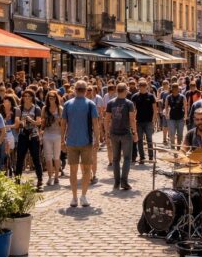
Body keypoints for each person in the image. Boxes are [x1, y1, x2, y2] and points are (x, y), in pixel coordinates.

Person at [61, 80, 99, 208]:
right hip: (86, 141)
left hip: (72, 141)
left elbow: (63, 124)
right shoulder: (90, 104)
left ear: (75, 90)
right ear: (85, 90)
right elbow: (95, 123)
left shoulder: (67, 104)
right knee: (86, 170)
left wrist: (62, 140)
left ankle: (75, 197)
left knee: (73, 170)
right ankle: (82, 196)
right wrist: (98, 139)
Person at [105, 83, 138, 190]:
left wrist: (106, 132)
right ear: (125, 91)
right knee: (127, 158)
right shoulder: (129, 103)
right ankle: (124, 182)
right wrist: (135, 132)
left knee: (115, 159)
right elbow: (132, 119)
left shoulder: (111, 103)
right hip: (125, 133)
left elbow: (106, 119)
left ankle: (116, 183)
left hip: (114, 133)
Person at [13, 89, 43, 190]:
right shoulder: (19, 109)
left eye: (29, 96)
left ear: (32, 98)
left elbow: (39, 122)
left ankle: (40, 181)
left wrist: (31, 120)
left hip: (34, 136)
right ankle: (17, 181)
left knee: (36, 159)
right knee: (20, 159)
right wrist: (22, 122)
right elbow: (17, 122)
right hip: (23, 136)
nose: (27, 98)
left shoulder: (36, 108)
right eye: (25, 96)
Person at [130, 80, 158, 165]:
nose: (142, 88)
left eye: (143, 86)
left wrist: (154, 120)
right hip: (138, 121)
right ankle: (142, 157)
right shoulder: (135, 96)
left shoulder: (151, 96)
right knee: (140, 140)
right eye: (140, 86)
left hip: (148, 121)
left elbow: (154, 109)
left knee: (149, 139)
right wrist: (133, 120)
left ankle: (150, 156)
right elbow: (133, 109)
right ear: (138, 87)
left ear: (146, 87)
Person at [41, 90, 63, 186]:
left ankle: (57, 177)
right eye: (50, 98)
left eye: (53, 98)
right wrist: (44, 122)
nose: (51, 99)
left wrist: (59, 121)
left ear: (56, 98)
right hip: (47, 134)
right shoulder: (44, 109)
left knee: (57, 157)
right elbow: (42, 123)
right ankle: (50, 177)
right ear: (47, 99)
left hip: (57, 134)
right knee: (48, 157)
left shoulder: (60, 109)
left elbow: (63, 124)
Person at [164, 83, 187, 149]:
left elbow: (185, 106)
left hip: (180, 117)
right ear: (172, 89)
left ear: (178, 89)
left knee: (180, 134)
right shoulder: (168, 97)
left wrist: (186, 115)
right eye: (174, 88)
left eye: (176, 88)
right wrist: (166, 114)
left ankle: (179, 146)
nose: (175, 90)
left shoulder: (182, 97)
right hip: (171, 118)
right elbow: (166, 106)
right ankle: (173, 147)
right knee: (172, 133)